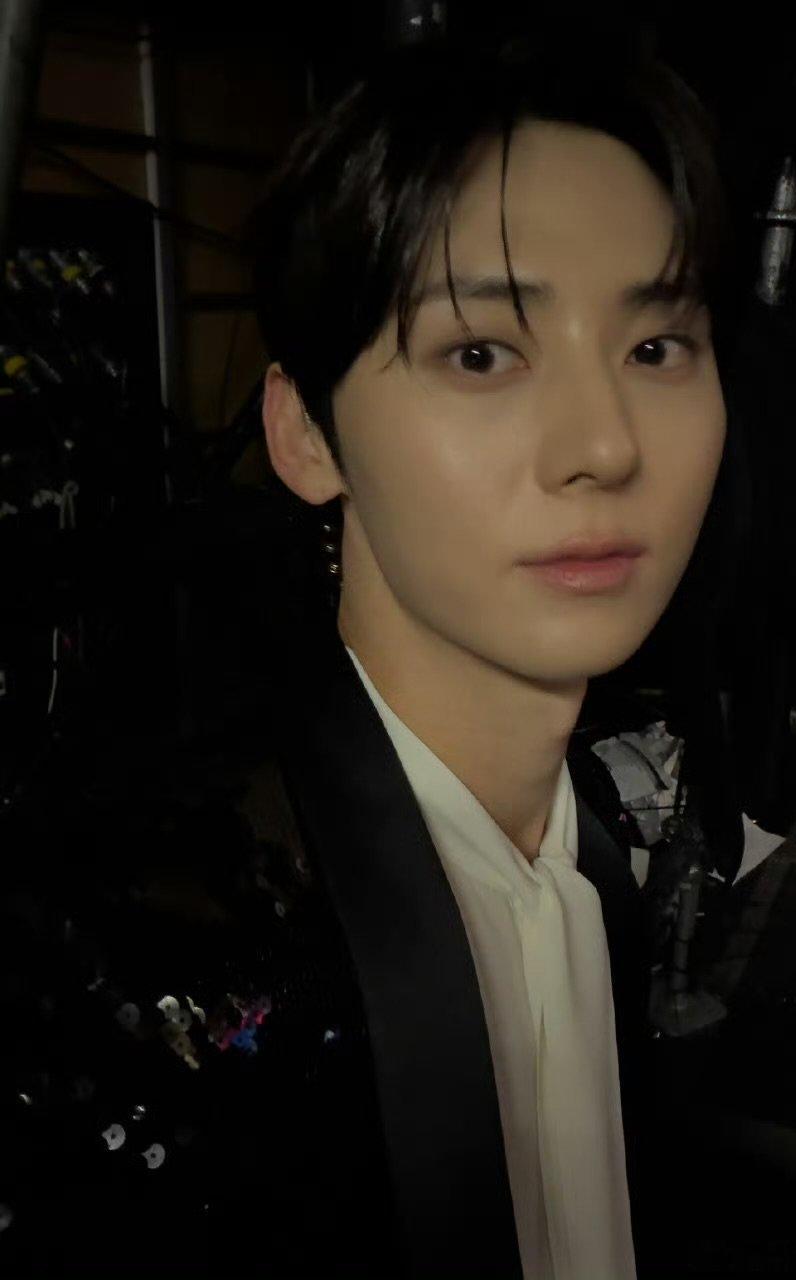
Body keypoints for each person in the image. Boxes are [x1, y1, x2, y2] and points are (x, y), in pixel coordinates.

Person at [0, 30, 732, 1279]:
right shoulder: (159, 956)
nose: (607, 445)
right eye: (481, 352)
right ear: (306, 434)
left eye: (655, 347)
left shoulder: (598, 836)